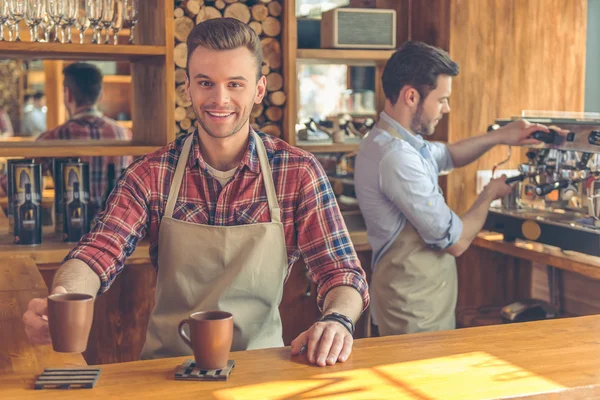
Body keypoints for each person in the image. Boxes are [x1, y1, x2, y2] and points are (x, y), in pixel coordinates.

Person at [22, 18, 369, 367]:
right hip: (167, 371)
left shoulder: (298, 173)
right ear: (188, 88)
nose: (220, 99)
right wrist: (63, 295)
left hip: (260, 369)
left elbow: (342, 272)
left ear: (259, 89)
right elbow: (97, 252)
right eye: (206, 83)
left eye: (235, 84)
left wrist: (338, 319)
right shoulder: (151, 173)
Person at [354, 41, 560, 336]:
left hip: (418, 305)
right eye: (441, 100)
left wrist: (502, 135)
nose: (447, 109)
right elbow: (456, 241)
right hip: (413, 315)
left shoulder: (396, 142)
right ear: (411, 96)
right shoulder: (396, 157)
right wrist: (489, 195)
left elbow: (449, 155)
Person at [0, 63, 133, 206]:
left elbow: (12, 186)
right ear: (100, 96)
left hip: (70, 227)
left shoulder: (53, 138)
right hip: (116, 225)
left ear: (68, 94)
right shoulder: (124, 134)